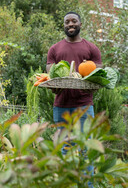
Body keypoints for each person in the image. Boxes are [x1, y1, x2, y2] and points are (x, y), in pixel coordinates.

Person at [46, 11, 102, 188]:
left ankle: (87, 185)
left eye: (74, 21)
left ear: (80, 24)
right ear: (63, 25)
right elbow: (51, 78)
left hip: (84, 106)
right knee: (64, 149)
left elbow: (98, 76)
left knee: (86, 149)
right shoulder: (54, 49)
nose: (70, 24)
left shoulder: (91, 48)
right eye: (67, 22)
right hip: (61, 106)